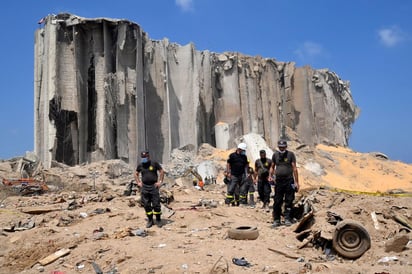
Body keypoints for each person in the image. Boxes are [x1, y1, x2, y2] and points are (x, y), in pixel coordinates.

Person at [270, 140, 299, 227]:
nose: (281, 148)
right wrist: (270, 176)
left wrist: (296, 182)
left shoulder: (290, 155)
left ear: (286, 147)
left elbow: (294, 168)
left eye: (283, 147)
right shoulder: (275, 155)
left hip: (289, 181)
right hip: (278, 181)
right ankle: (276, 220)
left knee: (289, 200)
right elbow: (272, 167)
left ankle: (287, 218)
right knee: (277, 201)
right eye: (280, 147)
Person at [134, 151, 165, 228]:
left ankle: (158, 220)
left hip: (154, 187)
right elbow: (136, 173)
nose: (144, 159)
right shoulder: (140, 165)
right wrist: (138, 182)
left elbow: (161, 171)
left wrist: (160, 182)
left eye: (145, 157)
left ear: (149, 157)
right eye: (143, 157)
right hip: (145, 187)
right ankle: (150, 220)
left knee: (156, 204)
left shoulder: (154, 163)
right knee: (146, 205)